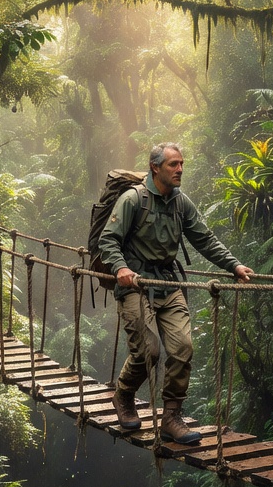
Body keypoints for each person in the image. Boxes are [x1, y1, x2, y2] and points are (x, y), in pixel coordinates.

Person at [97, 142, 253, 444]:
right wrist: (120, 268)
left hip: (168, 284)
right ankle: (124, 395)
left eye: (181, 163)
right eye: (173, 164)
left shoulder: (182, 203)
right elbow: (108, 240)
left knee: (182, 348)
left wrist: (234, 266)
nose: (180, 169)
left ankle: (170, 418)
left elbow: (204, 240)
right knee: (148, 351)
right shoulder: (134, 199)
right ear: (155, 167)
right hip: (135, 285)